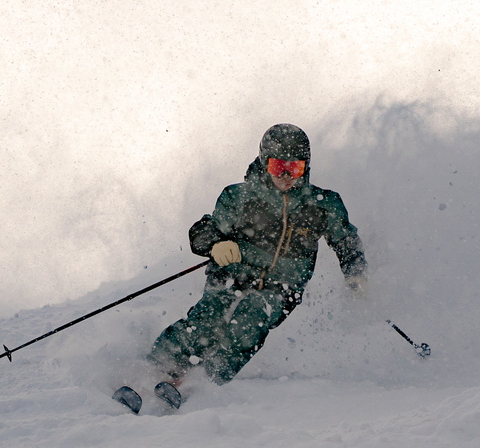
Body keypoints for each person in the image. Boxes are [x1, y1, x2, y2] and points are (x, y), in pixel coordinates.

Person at [113, 123, 366, 413]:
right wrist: (216, 245)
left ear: (306, 168)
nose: (285, 176)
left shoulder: (322, 205)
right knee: (207, 320)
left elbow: (346, 241)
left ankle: (200, 382)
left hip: (281, 288)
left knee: (249, 325)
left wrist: (355, 273)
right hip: (232, 274)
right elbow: (204, 231)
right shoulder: (239, 196)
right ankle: (149, 372)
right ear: (264, 162)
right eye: (278, 166)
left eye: (294, 169)